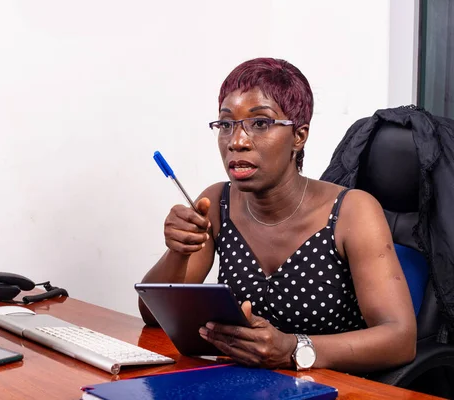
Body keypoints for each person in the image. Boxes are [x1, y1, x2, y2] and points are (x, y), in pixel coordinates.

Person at [138, 58, 416, 373]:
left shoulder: (353, 211)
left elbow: (400, 338)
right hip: (240, 385)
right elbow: (153, 316)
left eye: (260, 123)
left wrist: (294, 349)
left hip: (332, 388)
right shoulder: (216, 202)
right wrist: (178, 251)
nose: (237, 141)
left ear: (298, 136)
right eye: (226, 124)